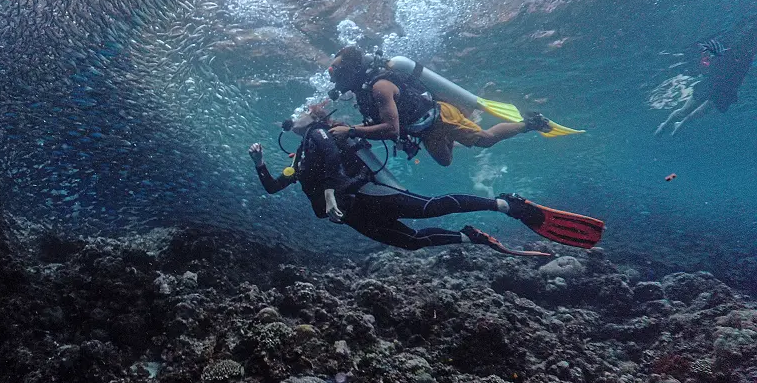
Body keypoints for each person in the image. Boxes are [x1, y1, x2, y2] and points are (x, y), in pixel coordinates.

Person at [249, 103, 605, 254]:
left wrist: (328, 197)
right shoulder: (299, 158)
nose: (292, 118)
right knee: (412, 241)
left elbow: (330, 159)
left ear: (311, 118)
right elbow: (272, 186)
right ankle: (469, 238)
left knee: (430, 208)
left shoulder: (319, 135)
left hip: (372, 194)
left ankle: (506, 205)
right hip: (356, 214)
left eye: (299, 113)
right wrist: (260, 163)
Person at [323, 45, 553, 166]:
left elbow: (391, 130)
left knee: (485, 140)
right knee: (445, 161)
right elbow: (379, 122)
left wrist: (351, 131)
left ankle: (529, 123)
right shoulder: (363, 91)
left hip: (440, 117)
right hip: (423, 129)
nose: (335, 79)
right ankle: (466, 118)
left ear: (353, 71)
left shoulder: (379, 87)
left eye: (337, 72)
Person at [655, 21, 757, 137]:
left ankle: (679, 125)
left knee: (695, 114)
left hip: (724, 89)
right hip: (713, 84)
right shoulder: (728, 52)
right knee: (684, 111)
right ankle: (666, 123)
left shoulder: (746, 58)